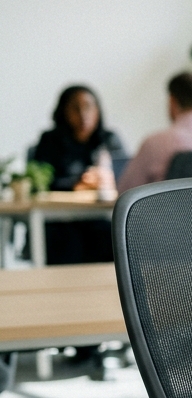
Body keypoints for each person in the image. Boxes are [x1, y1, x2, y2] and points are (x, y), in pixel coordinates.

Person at [32, 85, 125, 264]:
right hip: (61, 220)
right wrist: (77, 185)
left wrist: (106, 180)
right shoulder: (50, 140)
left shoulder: (109, 139)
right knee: (67, 242)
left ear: (98, 110)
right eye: (75, 108)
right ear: (63, 111)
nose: (83, 114)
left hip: (101, 218)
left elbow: (126, 175)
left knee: (113, 237)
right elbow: (41, 181)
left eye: (89, 107)